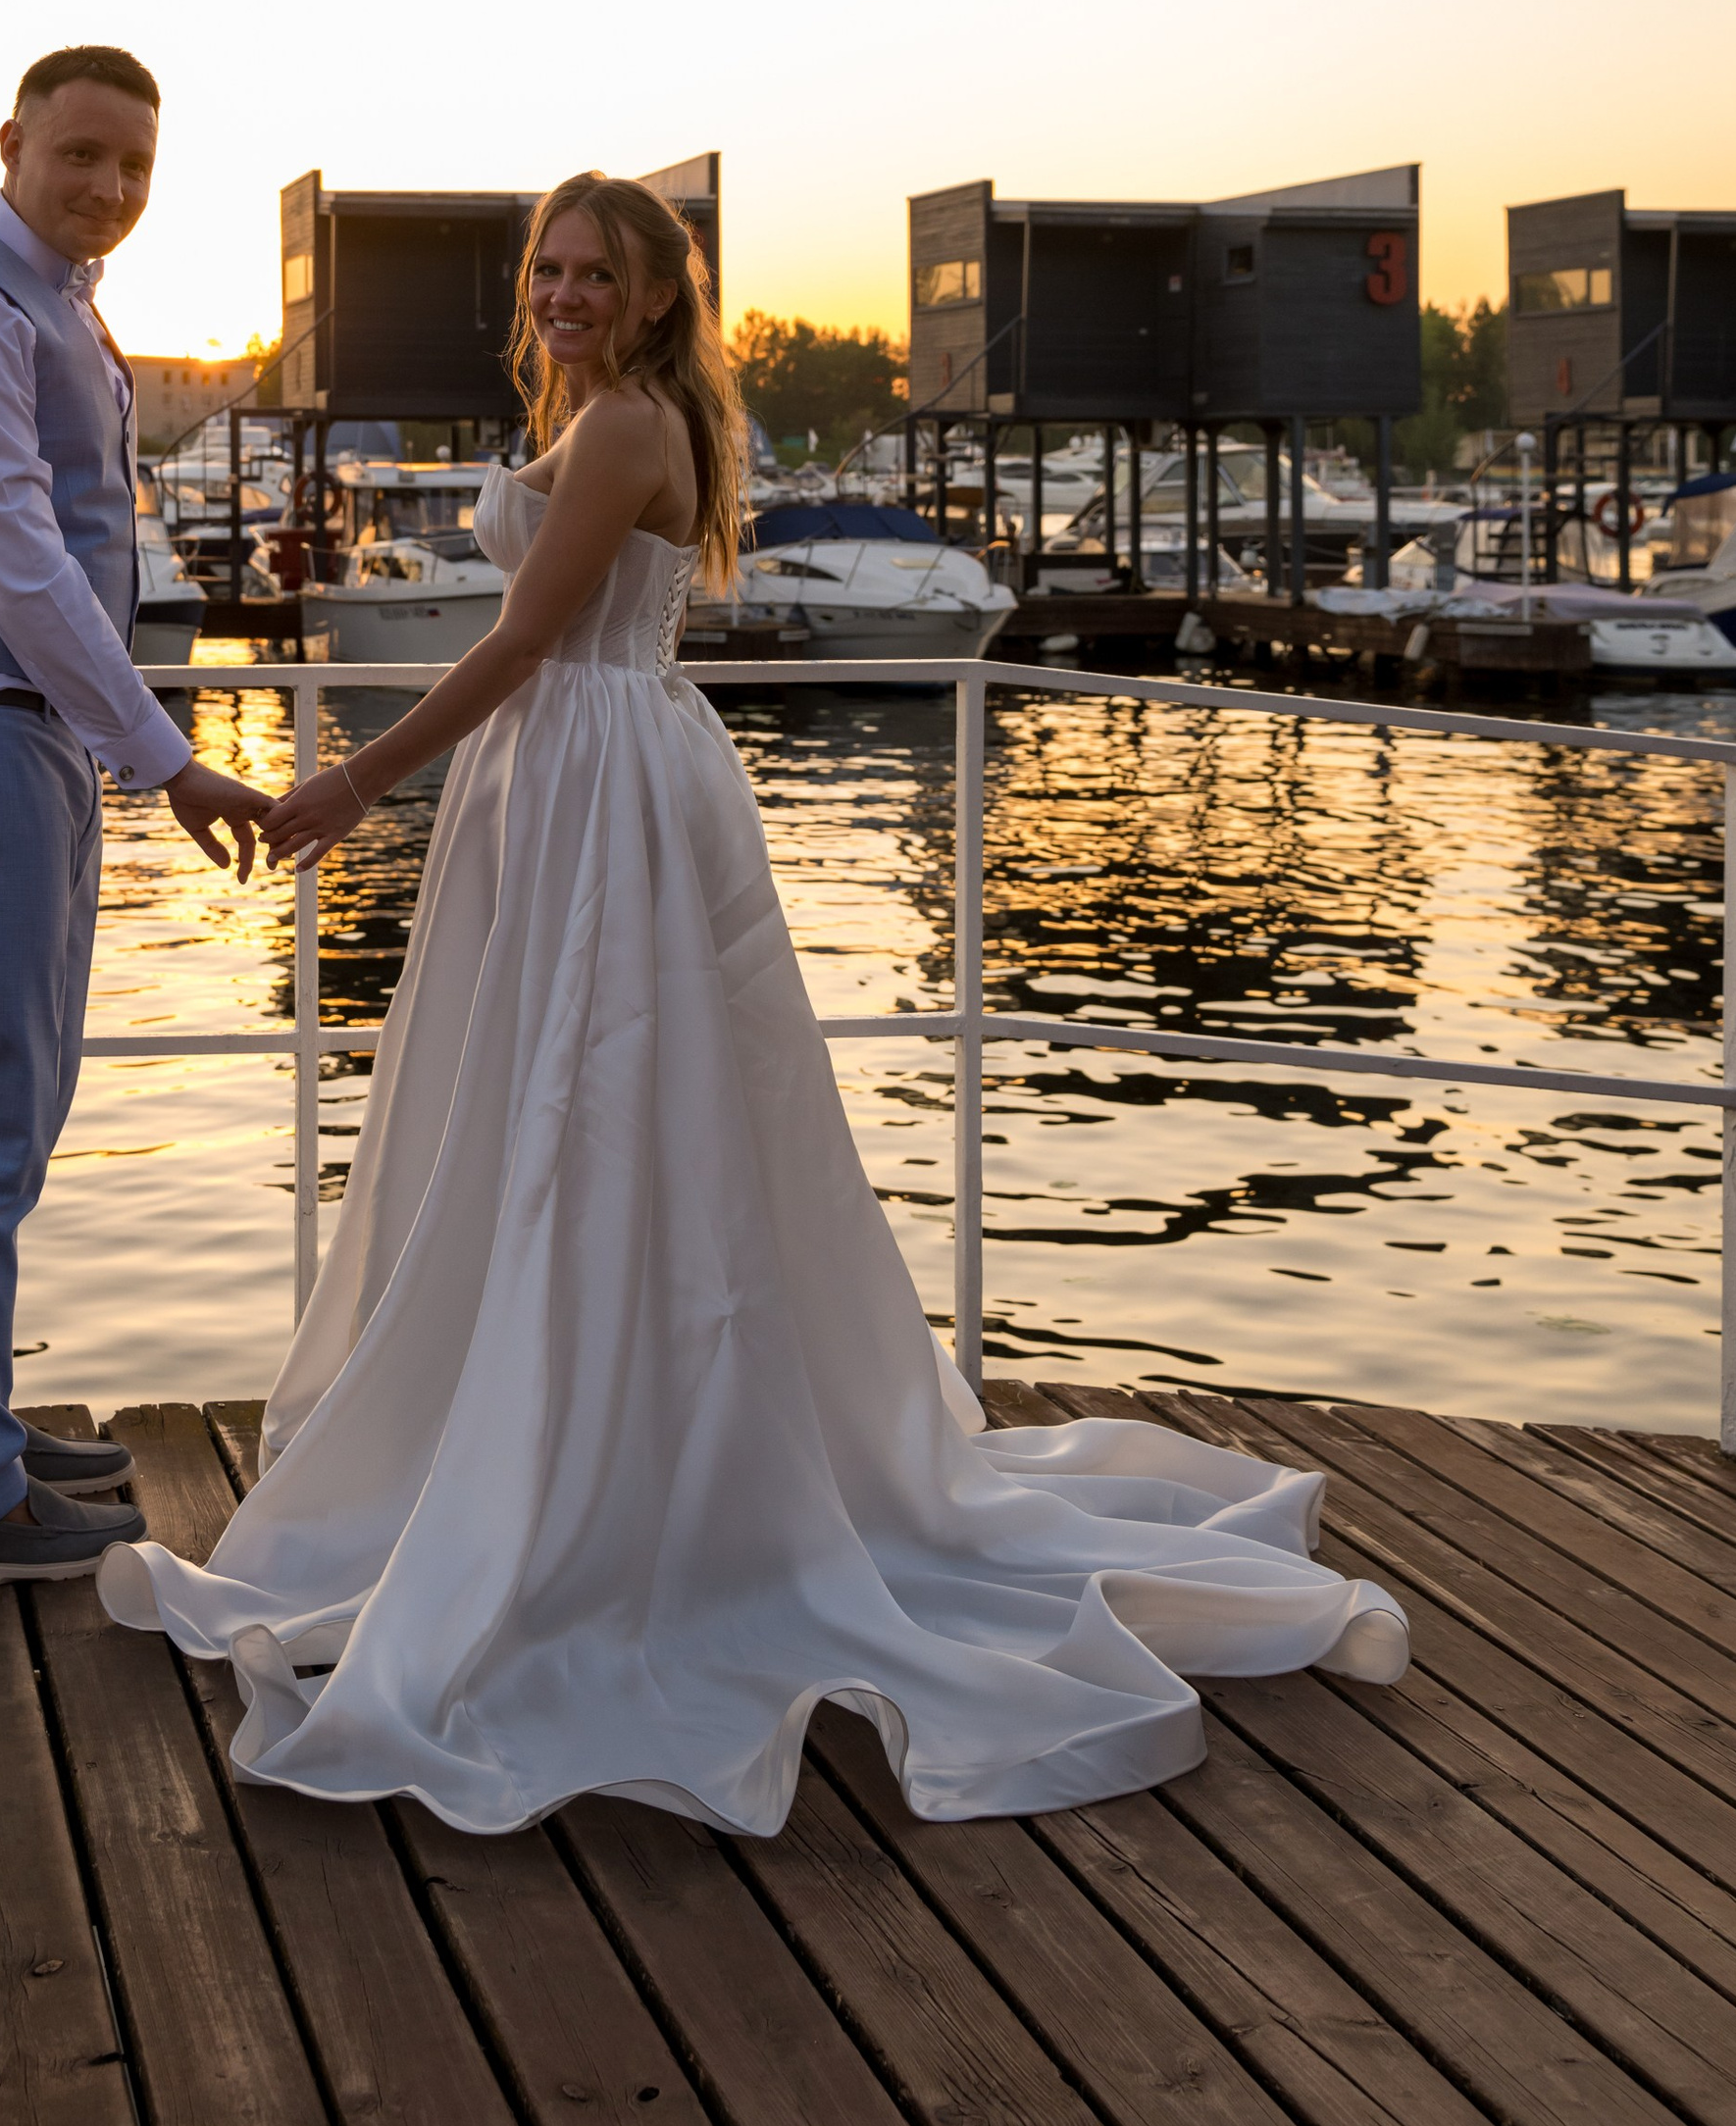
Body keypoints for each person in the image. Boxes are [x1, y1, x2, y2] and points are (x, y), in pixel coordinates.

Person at [98, 172, 1406, 1827]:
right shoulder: (607, 413)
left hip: (588, 765)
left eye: (596, 273)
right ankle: (548, 1410)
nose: (564, 294)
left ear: (653, 297)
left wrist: (353, 781)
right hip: (570, 776)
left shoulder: (634, 427)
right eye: (549, 270)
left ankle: (613, 1464)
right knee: (552, 1104)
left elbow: (518, 641)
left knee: (607, 1099)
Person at [0, 43, 272, 1590]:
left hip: (27, 744)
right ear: (9, 143)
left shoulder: (59, 301)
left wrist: (116, 751)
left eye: (137, 169)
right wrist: (170, 759)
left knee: (15, 1109)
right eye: (82, 156)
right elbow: (22, 563)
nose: (109, 189)